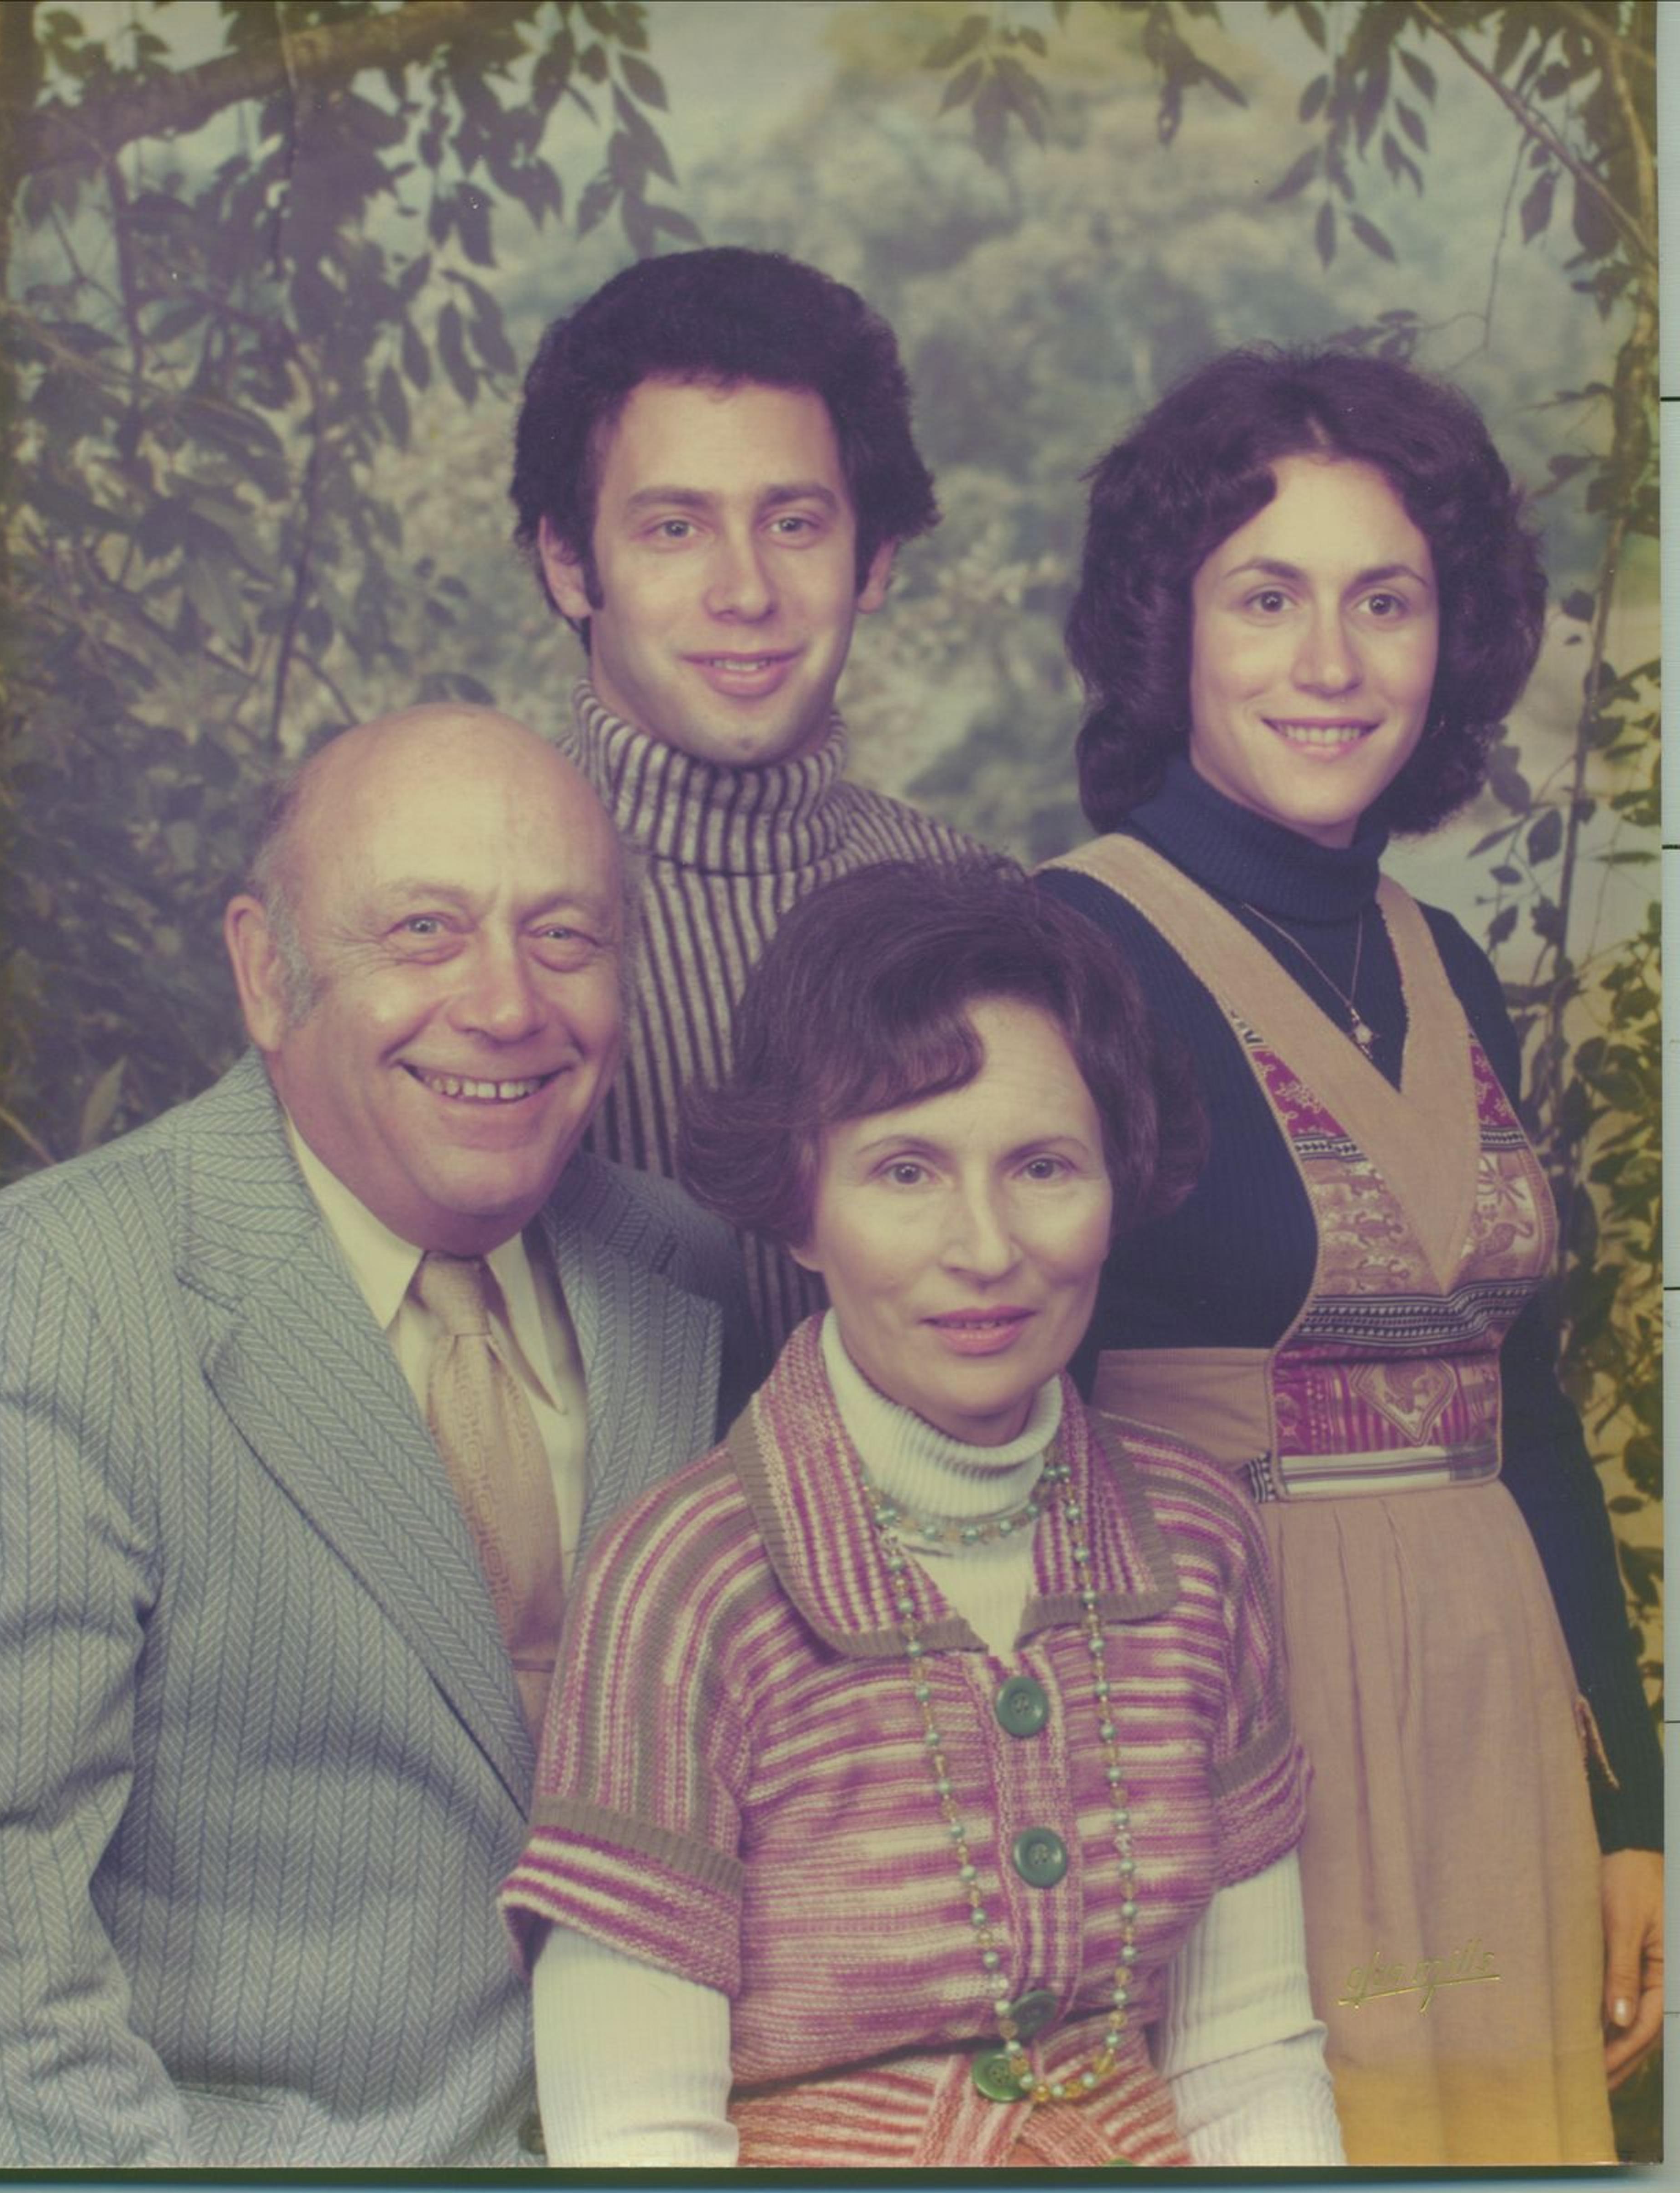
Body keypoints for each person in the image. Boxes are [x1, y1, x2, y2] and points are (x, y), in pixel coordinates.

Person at [0, 705, 752, 2166]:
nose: (508, 1004)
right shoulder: (40, 1309)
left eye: (565, 937)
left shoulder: (688, 1276)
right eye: (425, 931)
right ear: (266, 969)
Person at [1036, 345, 1663, 2166]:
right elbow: (1005, 1434)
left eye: (1385, 601)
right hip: (1230, 1733)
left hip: (1497, 1731)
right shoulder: (1069, 951)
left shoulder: (1444, 959)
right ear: (1174, 627)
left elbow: (1527, 1418)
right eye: (1269, 597)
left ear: (1449, 639)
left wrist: (1639, 1812)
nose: (1332, 662)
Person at [500, 858, 1347, 2168]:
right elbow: (632, 2132)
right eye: (905, 1171)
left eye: (1045, 1166)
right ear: (800, 1205)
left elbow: (1249, 2062)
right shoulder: (686, 1579)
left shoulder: (1198, 1541)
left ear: (1119, 1183)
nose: (987, 1247)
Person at [510, 246, 983, 1358]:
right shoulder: (467, 912)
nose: (745, 591)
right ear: (572, 566)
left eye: (795, 523)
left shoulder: (974, 905)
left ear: (874, 562)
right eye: (674, 527)